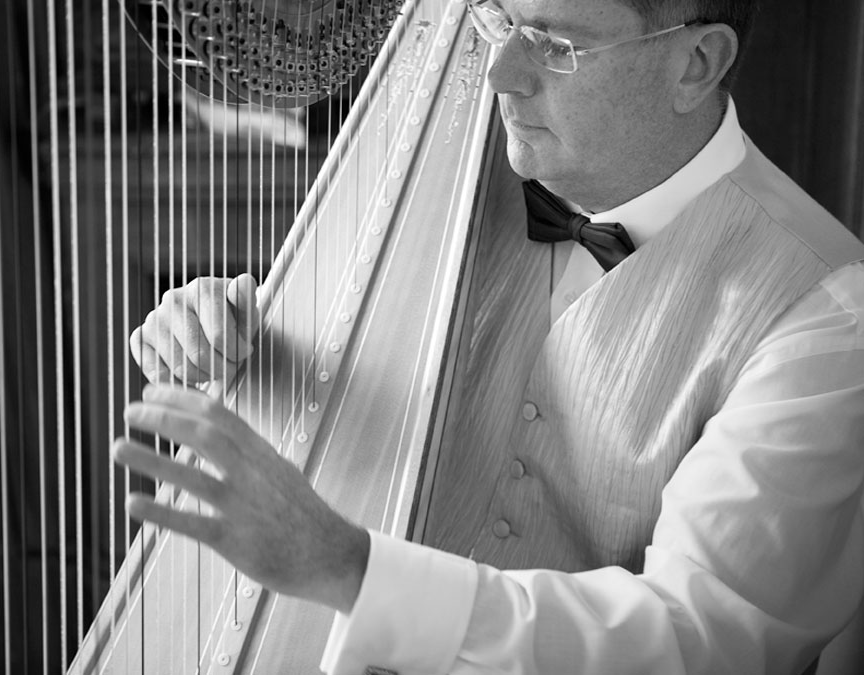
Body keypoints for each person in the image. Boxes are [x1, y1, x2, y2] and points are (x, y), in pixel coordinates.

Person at [118, 0, 864, 673]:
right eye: (500, 21)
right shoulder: (438, 174)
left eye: (554, 43)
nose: (501, 73)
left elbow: (696, 638)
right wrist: (237, 334)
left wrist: (352, 568)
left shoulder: (827, 311)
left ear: (697, 63)